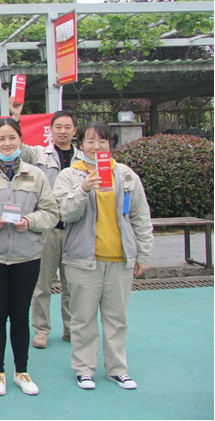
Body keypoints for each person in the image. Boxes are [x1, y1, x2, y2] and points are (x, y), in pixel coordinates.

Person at [53, 122, 153, 391]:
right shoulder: (69, 175)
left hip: (119, 259)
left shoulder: (126, 175)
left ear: (110, 144)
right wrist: (84, 188)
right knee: (83, 318)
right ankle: (84, 369)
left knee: (117, 319)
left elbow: (140, 217)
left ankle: (117, 369)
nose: (96, 147)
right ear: (80, 145)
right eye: (90, 141)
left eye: (102, 141)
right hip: (82, 260)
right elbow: (64, 214)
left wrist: (143, 253)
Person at [0, 118, 59, 397]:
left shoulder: (36, 175)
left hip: (26, 257)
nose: (7, 143)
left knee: (20, 315)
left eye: (12, 138)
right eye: (1, 138)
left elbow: (51, 212)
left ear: (20, 140)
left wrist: (30, 222)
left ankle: (21, 371)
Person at [9, 99, 81, 349]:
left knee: (73, 284)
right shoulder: (40, 154)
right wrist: (15, 117)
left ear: (74, 130)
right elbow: (16, 148)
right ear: (51, 130)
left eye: (67, 127)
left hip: (76, 230)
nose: (63, 131)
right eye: (58, 127)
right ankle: (41, 330)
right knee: (43, 285)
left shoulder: (83, 159)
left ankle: (71, 329)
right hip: (48, 229)